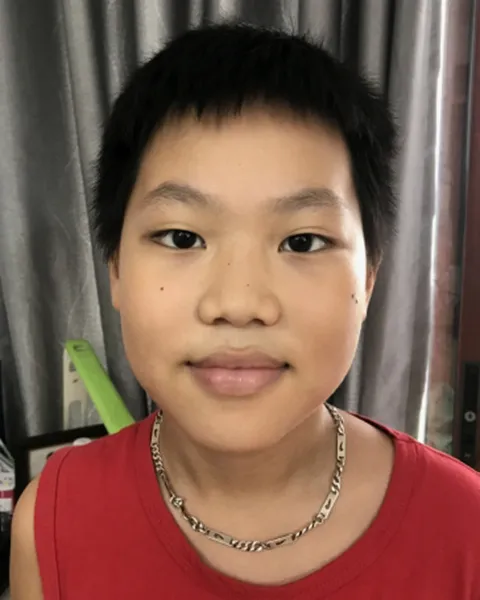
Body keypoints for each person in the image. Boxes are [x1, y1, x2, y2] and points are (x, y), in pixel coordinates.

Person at [10, 23, 480, 600]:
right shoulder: (54, 517)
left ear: (369, 277)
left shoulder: (465, 530)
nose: (238, 305)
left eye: (302, 242)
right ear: (115, 269)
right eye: (182, 238)